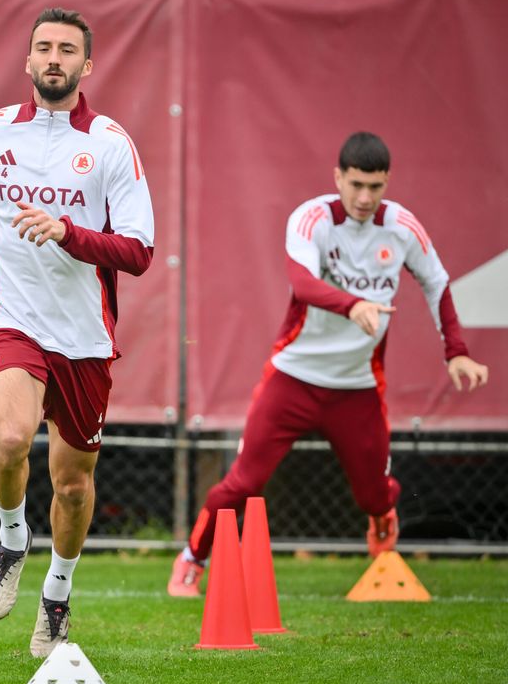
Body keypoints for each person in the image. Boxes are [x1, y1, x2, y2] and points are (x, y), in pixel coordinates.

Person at [168, 131, 490, 597]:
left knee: (373, 495)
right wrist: (352, 303)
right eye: (355, 184)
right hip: (293, 378)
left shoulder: (402, 227)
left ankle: (383, 515)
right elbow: (301, 282)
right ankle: (191, 560)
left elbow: (437, 282)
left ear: (387, 184)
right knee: (244, 482)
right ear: (338, 177)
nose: (364, 197)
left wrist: (456, 350)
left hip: (358, 386)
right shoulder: (312, 218)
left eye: (375, 187)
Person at [0, 8, 155, 657]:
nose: (54, 58)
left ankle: (57, 595)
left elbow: (140, 250)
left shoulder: (112, 143)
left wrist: (70, 233)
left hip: (85, 335)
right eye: (44, 47)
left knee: (71, 484)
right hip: (11, 316)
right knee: (11, 436)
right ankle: (12, 538)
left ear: (87, 64)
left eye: (68, 49)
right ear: (29, 61)